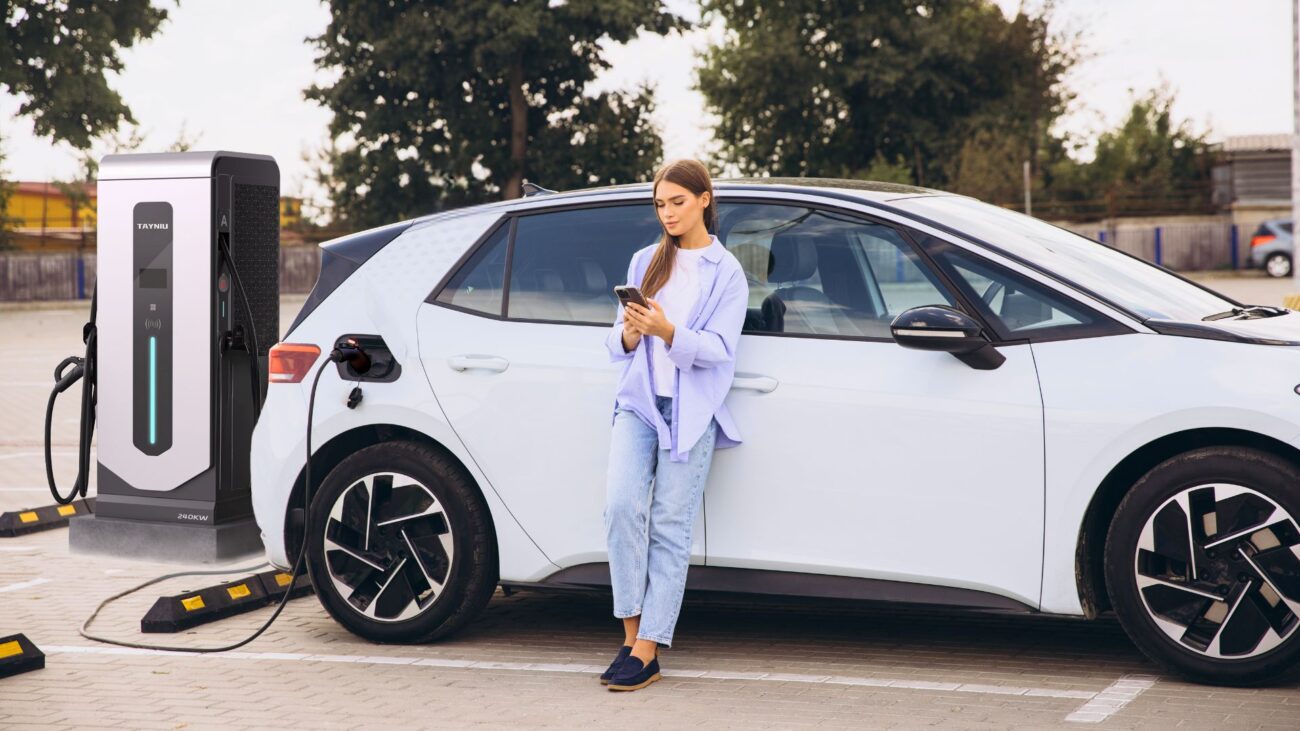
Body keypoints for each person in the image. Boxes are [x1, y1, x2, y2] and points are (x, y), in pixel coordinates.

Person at [599, 158, 749, 691]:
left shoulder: (727, 272)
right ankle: (629, 634)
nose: (667, 213)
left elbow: (720, 352)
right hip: (639, 405)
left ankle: (649, 648)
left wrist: (667, 330)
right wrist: (633, 335)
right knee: (620, 509)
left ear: (705, 199)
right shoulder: (645, 260)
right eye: (660, 204)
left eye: (677, 202)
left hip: (691, 414)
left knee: (668, 526)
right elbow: (613, 342)